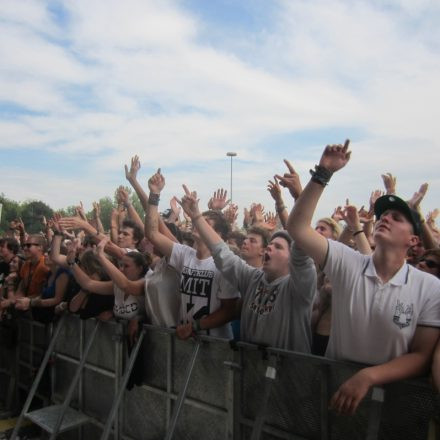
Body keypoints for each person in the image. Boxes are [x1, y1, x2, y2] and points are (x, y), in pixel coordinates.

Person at [288, 140, 440, 414]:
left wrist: (368, 376)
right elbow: (298, 227)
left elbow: (421, 355)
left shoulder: (429, 287)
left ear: (414, 239)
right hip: (337, 395)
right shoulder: (349, 263)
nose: (385, 218)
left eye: (397, 217)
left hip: (394, 405)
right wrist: (323, 173)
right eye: (383, 214)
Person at [175, 184, 317, 352]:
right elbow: (222, 252)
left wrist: (300, 195)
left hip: (288, 374)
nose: (270, 248)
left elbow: (302, 239)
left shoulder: (299, 287)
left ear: (293, 259)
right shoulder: (252, 279)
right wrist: (197, 217)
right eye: (270, 244)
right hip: (250, 371)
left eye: (278, 247)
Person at [145, 170, 239, 340]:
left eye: (205, 223)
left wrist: (196, 326)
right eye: (198, 221)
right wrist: (154, 194)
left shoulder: (225, 264)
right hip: (189, 341)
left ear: (218, 234)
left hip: (217, 345)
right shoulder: (185, 254)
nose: (198, 224)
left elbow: (229, 310)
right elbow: (152, 234)